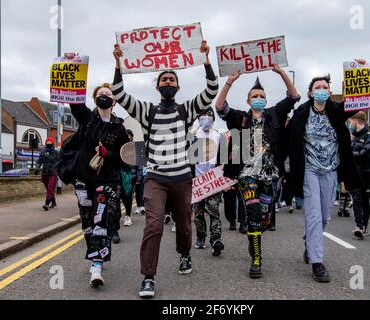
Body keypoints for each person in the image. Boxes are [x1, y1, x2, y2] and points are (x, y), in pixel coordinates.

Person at [112, 41, 218, 298]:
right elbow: (119, 94)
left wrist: (205, 59)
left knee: (184, 227)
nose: (168, 82)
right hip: (156, 178)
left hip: (181, 178)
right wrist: (118, 64)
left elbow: (211, 90)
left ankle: (185, 254)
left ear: (178, 86)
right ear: (158, 86)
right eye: (164, 80)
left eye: (172, 79)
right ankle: (148, 277)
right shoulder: (147, 111)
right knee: (154, 226)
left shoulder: (186, 110)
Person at [216, 65, 299, 279]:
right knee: (252, 214)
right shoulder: (241, 118)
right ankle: (257, 259)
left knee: (264, 218)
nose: (259, 98)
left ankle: (255, 240)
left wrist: (281, 73)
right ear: (248, 101)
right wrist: (230, 82)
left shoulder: (274, 115)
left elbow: (293, 96)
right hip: (247, 175)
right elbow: (220, 107)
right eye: (255, 95)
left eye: (262, 95)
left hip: (270, 175)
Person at [287, 69, 362, 283]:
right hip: (309, 170)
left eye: (325, 88)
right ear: (310, 93)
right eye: (317, 88)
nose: (321, 90)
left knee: (324, 216)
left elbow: (361, 99)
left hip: (330, 171)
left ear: (330, 92)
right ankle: (317, 261)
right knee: (313, 215)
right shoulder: (301, 113)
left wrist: (362, 70)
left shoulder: (337, 111)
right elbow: (287, 139)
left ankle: (310, 243)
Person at [68, 73, 130, 288]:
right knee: (87, 223)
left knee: (101, 220)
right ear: (95, 99)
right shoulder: (87, 118)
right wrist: (72, 66)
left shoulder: (120, 127)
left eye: (108, 93)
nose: (104, 95)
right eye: (100, 93)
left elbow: (126, 157)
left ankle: (96, 265)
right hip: (83, 177)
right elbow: (74, 102)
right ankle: (93, 251)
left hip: (108, 179)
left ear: (114, 101)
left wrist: (108, 153)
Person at [192, 107, 225, 256]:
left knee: (213, 210)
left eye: (209, 115)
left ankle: (215, 239)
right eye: (203, 115)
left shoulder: (218, 136)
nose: (206, 117)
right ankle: (200, 236)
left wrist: (224, 180)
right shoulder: (193, 136)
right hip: (198, 181)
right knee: (198, 212)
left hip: (214, 180)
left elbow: (223, 159)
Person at [348, 111, 370, 238]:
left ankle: (364, 225)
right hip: (354, 174)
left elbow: (366, 153)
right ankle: (359, 226)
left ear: (356, 121)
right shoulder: (353, 137)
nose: (349, 124)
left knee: (364, 200)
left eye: (350, 121)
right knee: (356, 199)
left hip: (367, 174)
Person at [36, 137, 60, 211]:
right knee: (49, 189)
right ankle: (53, 202)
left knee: (50, 188)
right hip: (44, 173)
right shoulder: (43, 152)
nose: (49, 144)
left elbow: (60, 162)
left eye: (50, 143)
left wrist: (59, 171)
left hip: (53, 173)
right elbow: (39, 161)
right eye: (47, 143)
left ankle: (46, 204)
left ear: (52, 144)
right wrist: (37, 168)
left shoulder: (56, 153)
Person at [121, 130, 135, 228]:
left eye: (129, 135)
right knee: (119, 195)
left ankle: (128, 215)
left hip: (131, 175)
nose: (128, 137)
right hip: (120, 174)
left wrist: (137, 176)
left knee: (128, 196)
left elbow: (139, 163)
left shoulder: (135, 147)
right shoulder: (120, 146)